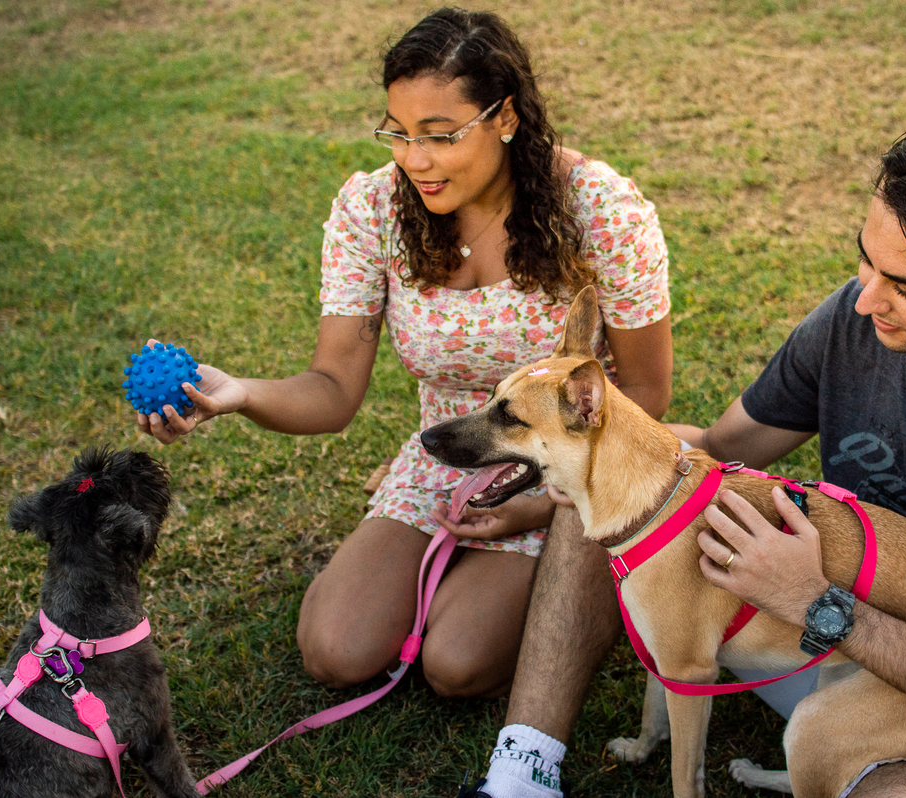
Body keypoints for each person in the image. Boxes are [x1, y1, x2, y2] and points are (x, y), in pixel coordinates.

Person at [467, 110, 906, 798]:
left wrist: (816, 600)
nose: (867, 299)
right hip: (804, 643)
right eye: (866, 259)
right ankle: (524, 768)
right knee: (611, 471)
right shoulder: (855, 317)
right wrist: (546, 493)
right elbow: (716, 448)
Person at [137, 7, 672, 702]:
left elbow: (646, 392)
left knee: (454, 665)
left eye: (441, 136)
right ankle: (434, 566)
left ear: (505, 117)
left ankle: (576, 588)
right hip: (446, 451)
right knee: (336, 650)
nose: (415, 160)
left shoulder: (601, 210)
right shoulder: (373, 211)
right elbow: (331, 387)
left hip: (564, 468)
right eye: (399, 134)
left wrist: (542, 505)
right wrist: (239, 392)